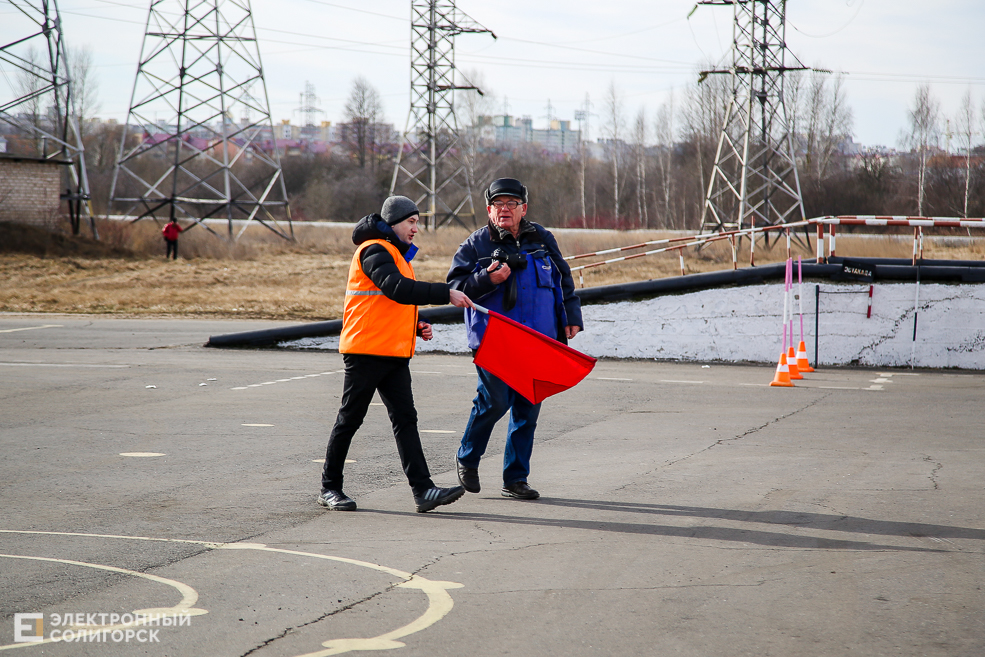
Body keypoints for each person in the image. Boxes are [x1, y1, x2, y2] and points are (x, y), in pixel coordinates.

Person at [320, 196, 473, 513]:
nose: (416, 228)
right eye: (411, 221)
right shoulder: (373, 250)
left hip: (392, 352)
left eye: (417, 222)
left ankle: (423, 491)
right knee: (350, 420)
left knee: (406, 420)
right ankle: (329, 488)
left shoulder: (396, 254)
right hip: (365, 351)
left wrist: (416, 324)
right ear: (393, 223)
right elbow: (396, 288)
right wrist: (445, 293)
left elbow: (388, 304)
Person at [447, 178, 583, 500]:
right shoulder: (476, 245)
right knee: (494, 401)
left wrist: (571, 319)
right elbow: (455, 288)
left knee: (527, 408)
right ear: (488, 210)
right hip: (496, 339)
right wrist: (487, 278)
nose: (504, 210)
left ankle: (515, 478)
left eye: (511, 204)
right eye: (498, 205)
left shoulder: (542, 239)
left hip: (538, 337)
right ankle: (467, 457)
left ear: (524, 208)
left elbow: (563, 280)